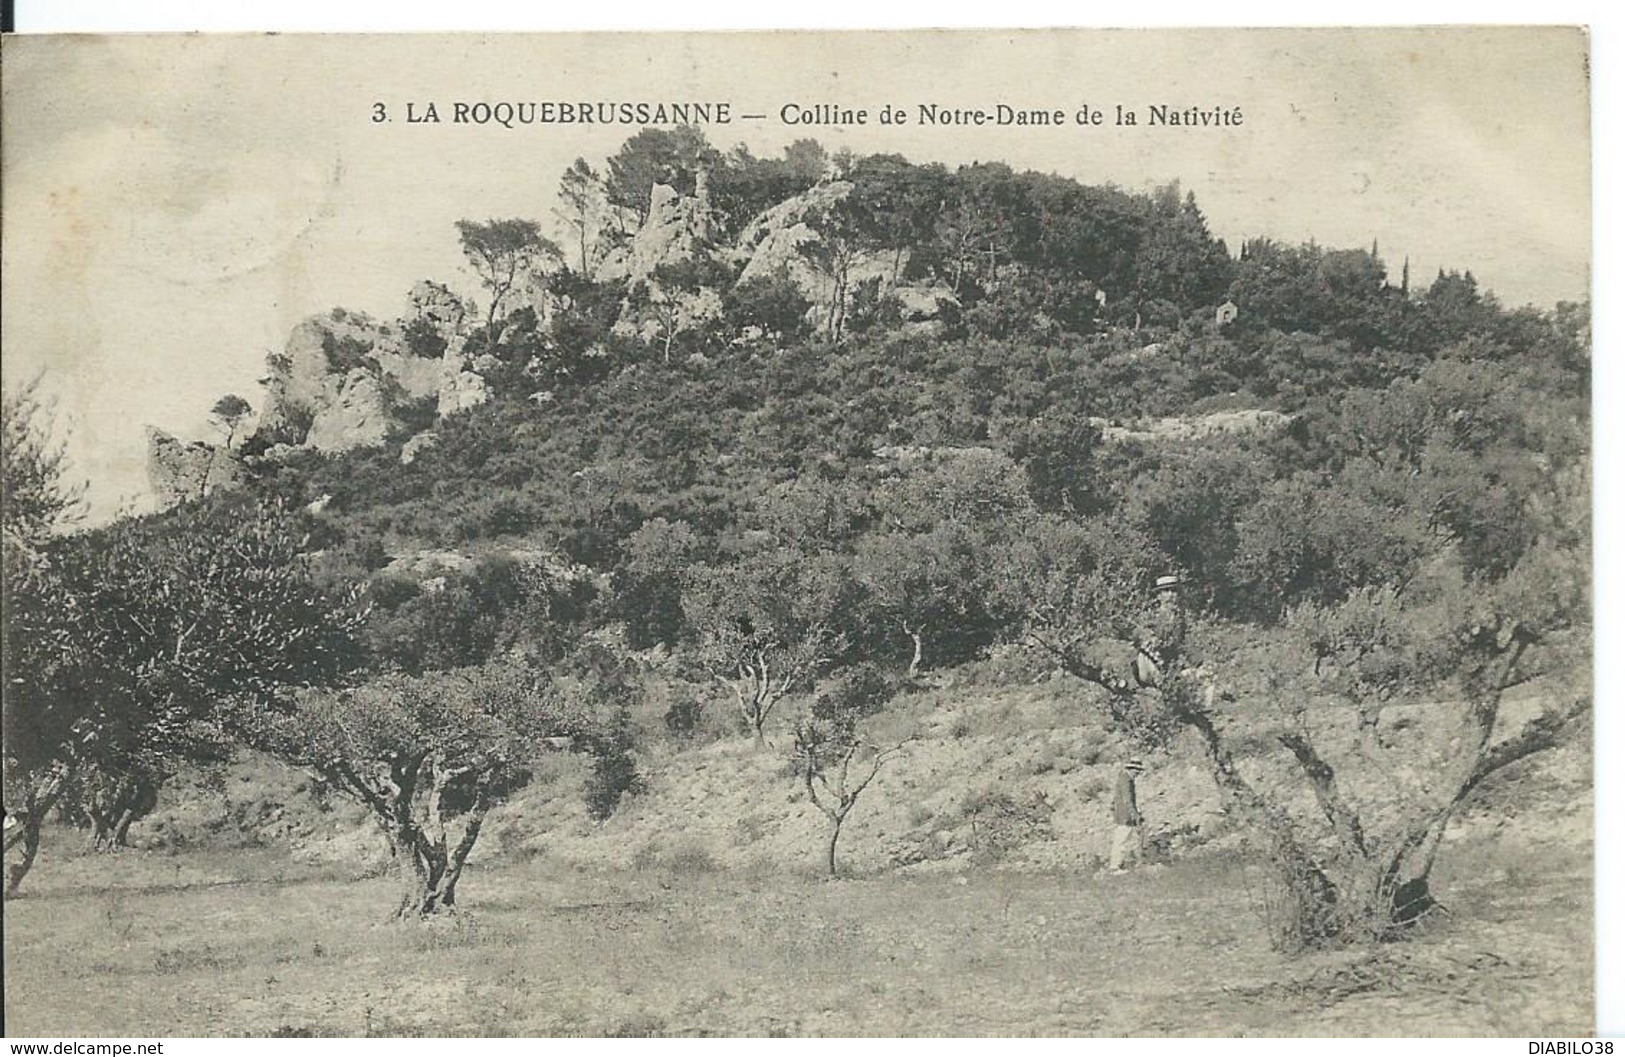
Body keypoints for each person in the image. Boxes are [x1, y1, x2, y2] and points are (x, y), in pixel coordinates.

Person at [1109, 757, 1146, 873]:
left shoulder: (1124, 778)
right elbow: (1128, 800)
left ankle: (1118, 864)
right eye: (1136, 770)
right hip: (1125, 815)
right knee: (1121, 840)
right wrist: (1135, 815)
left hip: (1122, 813)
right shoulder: (1126, 780)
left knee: (1122, 839)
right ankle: (1115, 867)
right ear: (1131, 768)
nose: (1138, 773)